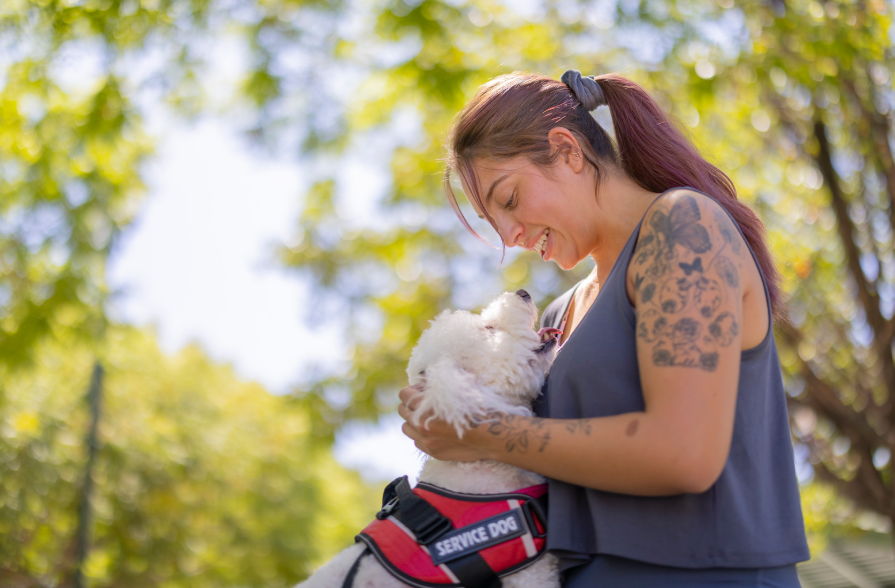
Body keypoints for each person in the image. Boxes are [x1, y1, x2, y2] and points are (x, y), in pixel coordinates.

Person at [397, 70, 809, 587]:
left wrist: (485, 433)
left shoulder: (684, 229)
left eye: (508, 200)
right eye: (495, 223)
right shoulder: (557, 317)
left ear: (568, 150)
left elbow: (683, 455)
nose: (512, 236)